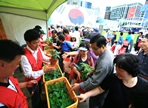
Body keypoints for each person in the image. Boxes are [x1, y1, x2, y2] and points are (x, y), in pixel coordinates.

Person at [76, 54, 148, 108]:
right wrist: (86, 95)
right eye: (116, 68)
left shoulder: (144, 87)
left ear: (131, 71)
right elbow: (100, 89)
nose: (117, 72)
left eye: (120, 70)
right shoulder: (113, 78)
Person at [72, 34, 114, 108]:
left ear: (103, 47)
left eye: (95, 48)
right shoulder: (106, 52)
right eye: (91, 48)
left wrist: (80, 85)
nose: (92, 51)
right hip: (101, 85)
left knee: (95, 104)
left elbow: (95, 81)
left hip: (101, 88)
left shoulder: (104, 62)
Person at [21, 29, 55, 108]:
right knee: (34, 98)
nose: (37, 44)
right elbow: (28, 74)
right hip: (31, 82)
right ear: (27, 42)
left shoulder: (38, 48)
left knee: (39, 91)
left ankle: (40, 103)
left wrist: (50, 59)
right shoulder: (24, 56)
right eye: (34, 43)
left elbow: (43, 57)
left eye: (38, 42)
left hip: (39, 78)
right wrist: (44, 71)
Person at [0, 40, 37, 108]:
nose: (18, 66)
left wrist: (26, 84)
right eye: (17, 63)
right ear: (2, 64)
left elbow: (12, 86)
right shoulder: (1, 104)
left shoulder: (7, 75)